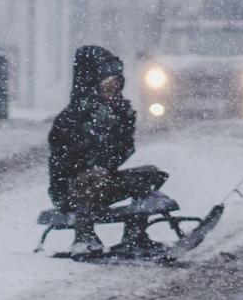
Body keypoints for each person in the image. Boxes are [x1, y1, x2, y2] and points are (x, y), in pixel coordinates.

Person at [48, 45, 168, 258]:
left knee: (150, 175)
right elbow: (65, 160)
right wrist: (91, 166)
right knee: (90, 179)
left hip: (102, 181)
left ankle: (135, 235)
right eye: (108, 88)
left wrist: (122, 125)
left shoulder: (118, 112)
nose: (113, 93)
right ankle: (84, 237)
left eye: (116, 88)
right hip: (71, 189)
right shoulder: (72, 118)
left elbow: (122, 151)